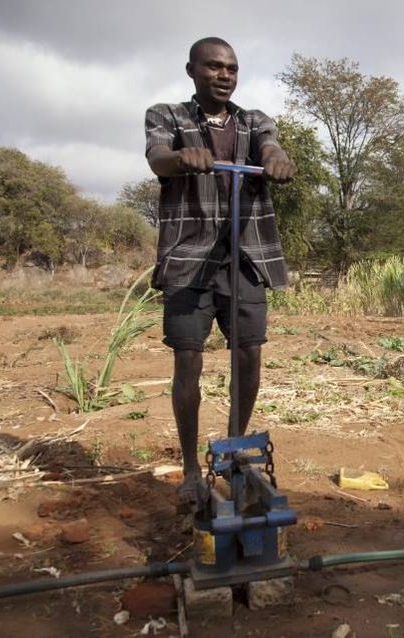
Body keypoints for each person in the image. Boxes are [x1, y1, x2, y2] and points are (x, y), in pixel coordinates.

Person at [144, 37, 296, 511]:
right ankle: (191, 468)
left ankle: (233, 449)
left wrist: (276, 160)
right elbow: (157, 157)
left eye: (231, 68)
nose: (224, 75)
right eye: (213, 67)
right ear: (192, 70)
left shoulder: (254, 121)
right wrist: (180, 159)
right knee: (188, 360)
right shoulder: (168, 115)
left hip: (247, 257)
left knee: (249, 354)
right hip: (190, 258)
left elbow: (271, 147)